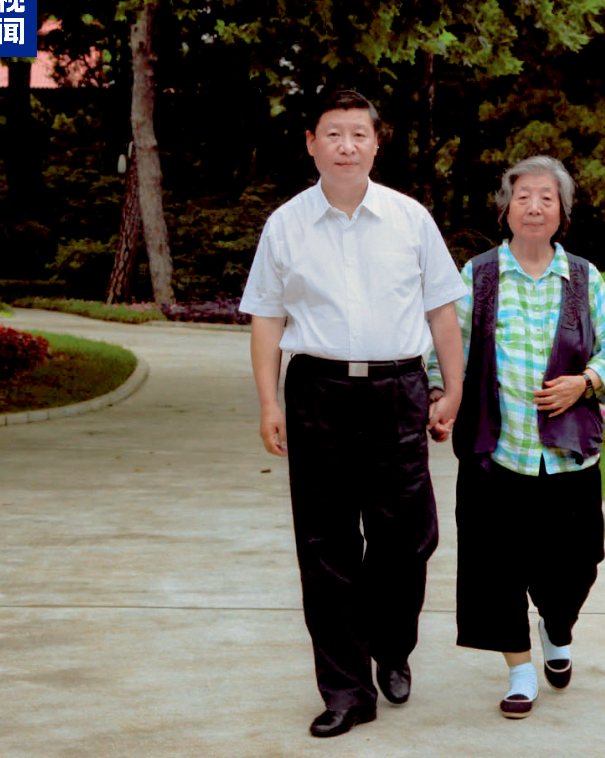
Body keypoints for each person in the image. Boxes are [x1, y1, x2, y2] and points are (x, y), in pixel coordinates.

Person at [238, 90, 467, 738]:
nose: (346, 145)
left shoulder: (409, 219)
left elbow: (442, 310)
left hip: (398, 390)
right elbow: (267, 317)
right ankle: (346, 690)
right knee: (326, 546)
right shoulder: (285, 224)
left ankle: (391, 647)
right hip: (318, 393)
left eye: (358, 134)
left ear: (375, 143)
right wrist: (268, 400)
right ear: (311, 143)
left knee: (409, 539)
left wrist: (452, 389)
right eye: (333, 133)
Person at [427, 155, 605, 719]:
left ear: (562, 211)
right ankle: (519, 671)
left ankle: (557, 629)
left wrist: (585, 382)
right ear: (506, 209)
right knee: (495, 568)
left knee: (578, 564)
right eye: (523, 196)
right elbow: (447, 347)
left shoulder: (584, 277)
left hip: (569, 460)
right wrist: (442, 396)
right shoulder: (478, 275)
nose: (534, 206)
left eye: (546, 197)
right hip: (495, 455)